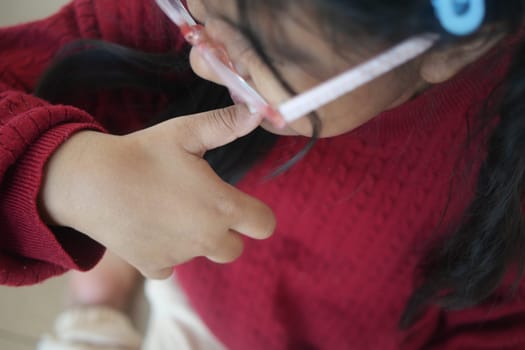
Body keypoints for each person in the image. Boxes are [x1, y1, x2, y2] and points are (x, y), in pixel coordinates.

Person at [1, 0, 525, 348]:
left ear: (453, 47)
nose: (203, 60)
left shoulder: (501, 153)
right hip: (196, 311)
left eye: (246, 60)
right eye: (188, 9)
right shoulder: (207, 18)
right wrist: (68, 176)